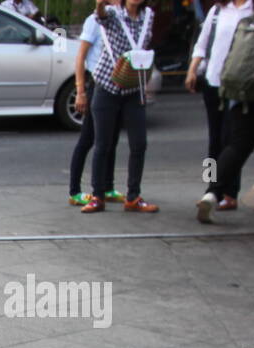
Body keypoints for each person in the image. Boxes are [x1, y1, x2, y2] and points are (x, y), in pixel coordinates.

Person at [80, 0, 159, 213]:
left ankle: (133, 196)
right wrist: (100, 5)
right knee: (102, 144)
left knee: (139, 143)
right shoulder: (114, 14)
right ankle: (98, 196)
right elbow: (101, 17)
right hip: (107, 85)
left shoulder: (148, 15)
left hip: (133, 87)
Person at [188, 0, 254, 216]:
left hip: (238, 87)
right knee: (214, 142)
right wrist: (192, 69)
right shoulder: (217, 11)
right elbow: (202, 42)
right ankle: (209, 187)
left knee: (232, 141)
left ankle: (229, 193)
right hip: (213, 82)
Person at [69, 9, 125, 205]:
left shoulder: (123, 18)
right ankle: (75, 191)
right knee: (88, 139)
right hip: (97, 85)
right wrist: (80, 91)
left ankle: (107, 187)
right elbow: (80, 56)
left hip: (117, 86)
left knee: (111, 139)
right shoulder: (94, 20)